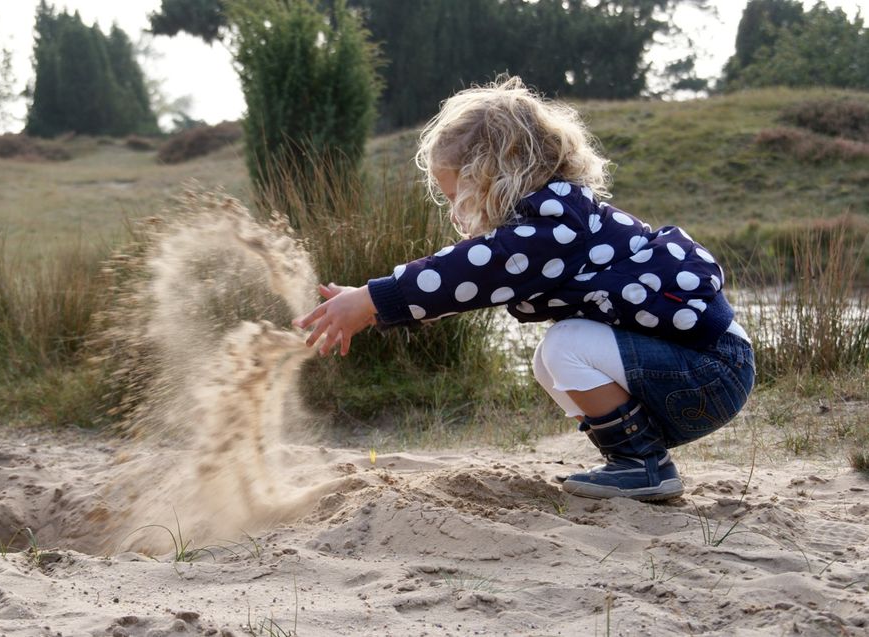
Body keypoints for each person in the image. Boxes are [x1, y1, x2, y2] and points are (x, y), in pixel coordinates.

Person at [292, 77, 755, 501]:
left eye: (457, 197)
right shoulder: (551, 223)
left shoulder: (555, 227)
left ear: (494, 176)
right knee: (549, 361)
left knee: (564, 346)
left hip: (711, 373)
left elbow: (470, 272)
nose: (454, 214)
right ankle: (636, 458)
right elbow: (470, 285)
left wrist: (376, 298)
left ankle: (643, 464)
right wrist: (375, 307)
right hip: (697, 371)